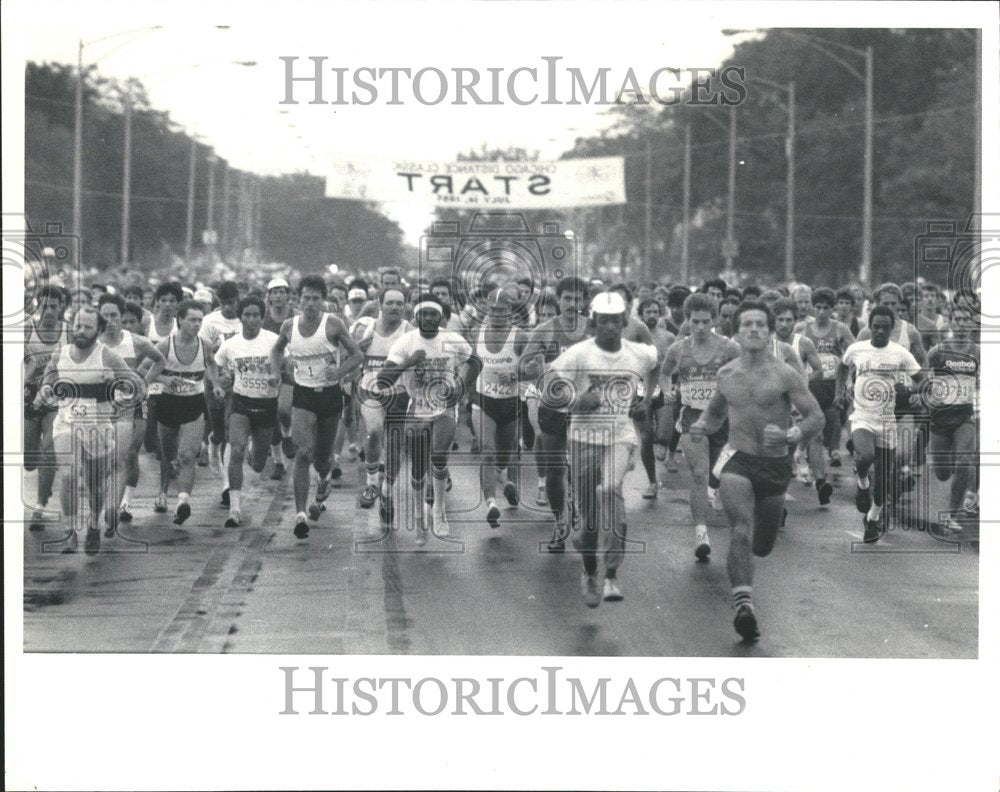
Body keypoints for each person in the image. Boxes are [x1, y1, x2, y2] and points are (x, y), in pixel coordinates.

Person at [691, 300, 824, 641]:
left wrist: (791, 433)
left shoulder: (784, 374)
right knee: (739, 529)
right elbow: (716, 413)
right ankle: (743, 605)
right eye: (747, 324)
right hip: (740, 460)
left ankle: (746, 580)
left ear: (768, 333)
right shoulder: (726, 374)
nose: (753, 329)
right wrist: (702, 425)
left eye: (760, 325)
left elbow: (815, 416)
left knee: (762, 545)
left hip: (775, 466)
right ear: (736, 331)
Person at [548, 291, 658, 607]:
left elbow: (656, 362)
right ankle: (589, 570)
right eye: (603, 321)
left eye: (615, 321)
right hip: (583, 438)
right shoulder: (579, 354)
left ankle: (611, 573)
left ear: (624, 322)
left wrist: (646, 400)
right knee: (588, 522)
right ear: (594, 323)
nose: (610, 327)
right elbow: (549, 386)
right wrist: (575, 401)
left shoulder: (638, 353)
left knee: (610, 488)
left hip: (620, 436)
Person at [35, 304, 143, 554]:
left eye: (87, 327)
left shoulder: (107, 356)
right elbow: (48, 380)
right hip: (66, 423)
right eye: (77, 326)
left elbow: (135, 384)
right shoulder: (59, 354)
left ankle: (94, 524)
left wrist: (118, 388)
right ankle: (69, 530)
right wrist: (45, 390)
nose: (81, 331)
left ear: (98, 330)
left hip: (98, 428)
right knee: (68, 475)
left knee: (95, 485)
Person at [269, 275, 363, 539]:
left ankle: (323, 479)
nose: (310, 303)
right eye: (306, 298)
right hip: (304, 395)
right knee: (302, 452)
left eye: (315, 298)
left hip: (329, 398)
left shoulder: (332, 324)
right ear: (298, 299)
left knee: (322, 459)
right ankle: (300, 514)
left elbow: (357, 355)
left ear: (323, 300)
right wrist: (276, 373)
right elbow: (276, 351)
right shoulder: (289, 326)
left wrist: (340, 371)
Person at [378, 295, 472, 545]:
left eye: (434, 313)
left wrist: (461, 387)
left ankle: (439, 511)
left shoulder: (452, 340)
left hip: (444, 407)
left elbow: (474, 362)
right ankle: (421, 519)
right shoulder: (406, 342)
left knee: (439, 455)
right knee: (418, 470)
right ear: (416, 316)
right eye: (424, 313)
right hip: (417, 408)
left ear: (441, 317)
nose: (429, 318)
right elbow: (383, 380)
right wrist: (410, 361)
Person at [660, 293, 741, 561]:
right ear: (688, 321)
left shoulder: (729, 348)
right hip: (693, 418)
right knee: (698, 472)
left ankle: (714, 489)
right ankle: (701, 533)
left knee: (718, 474)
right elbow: (664, 372)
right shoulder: (678, 349)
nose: (702, 327)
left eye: (707, 321)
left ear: (715, 320)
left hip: (723, 418)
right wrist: (667, 390)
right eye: (696, 321)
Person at [836, 305, 925, 544]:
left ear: (891, 327)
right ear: (870, 327)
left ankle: (873, 519)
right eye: (876, 327)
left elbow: (920, 378)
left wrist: (914, 392)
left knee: (885, 479)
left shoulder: (899, 353)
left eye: (885, 327)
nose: (880, 332)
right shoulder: (857, 348)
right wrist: (840, 391)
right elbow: (842, 366)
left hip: (887, 420)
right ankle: (862, 483)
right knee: (864, 456)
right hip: (863, 416)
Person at [521, 276, 592, 552]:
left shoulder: (595, 331)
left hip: (585, 410)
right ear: (559, 300)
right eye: (567, 299)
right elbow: (525, 367)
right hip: (552, 407)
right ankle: (560, 521)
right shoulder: (544, 331)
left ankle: (580, 511)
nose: (573, 304)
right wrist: (537, 368)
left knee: (583, 470)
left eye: (578, 299)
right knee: (554, 472)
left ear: (585, 301)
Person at [97, 293, 166, 528]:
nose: (109, 320)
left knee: (128, 454)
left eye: (113, 315)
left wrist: (144, 382)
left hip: (132, 405)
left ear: (121, 315)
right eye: (104, 315)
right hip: (103, 407)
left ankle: (123, 503)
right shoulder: (92, 343)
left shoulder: (135, 341)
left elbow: (160, 360)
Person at [153, 299, 224, 525]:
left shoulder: (205, 345)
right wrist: (164, 377)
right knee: (169, 454)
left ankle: (183, 502)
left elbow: (211, 364)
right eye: (192, 320)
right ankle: (166, 488)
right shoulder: (165, 345)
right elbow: (144, 370)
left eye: (199, 320)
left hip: (193, 404)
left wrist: (217, 384)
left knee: (187, 456)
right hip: (168, 403)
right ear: (180, 320)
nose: (196, 324)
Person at [465, 287, 529, 529]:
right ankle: (491, 504)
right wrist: (461, 389)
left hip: (510, 404)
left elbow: (536, 368)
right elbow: (470, 365)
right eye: (492, 310)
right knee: (488, 452)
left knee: (505, 454)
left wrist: (516, 374)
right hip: (483, 402)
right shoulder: (475, 333)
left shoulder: (520, 337)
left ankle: (503, 476)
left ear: (510, 311)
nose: (496, 314)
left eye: (501, 310)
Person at [214, 296, 280, 528]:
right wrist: (220, 379)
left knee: (259, 465)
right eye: (247, 315)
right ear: (240, 317)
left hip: (266, 406)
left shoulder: (274, 341)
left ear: (262, 317)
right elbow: (216, 364)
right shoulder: (231, 344)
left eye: (256, 315)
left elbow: (289, 365)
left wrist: (278, 376)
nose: (251, 320)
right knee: (236, 449)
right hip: (241, 404)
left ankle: (257, 451)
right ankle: (234, 509)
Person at [353, 286, 411, 510]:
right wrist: (358, 348)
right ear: (380, 305)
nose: (395, 307)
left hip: (399, 394)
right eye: (390, 302)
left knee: (395, 446)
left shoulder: (409, 331)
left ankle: (387, 491)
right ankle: (371, 484)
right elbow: (345, 353)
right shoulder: (364, 328)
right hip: (370, 389)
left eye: (400, 303)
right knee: (374, 430)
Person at [924, 300, 979, 535]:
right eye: (958, 320)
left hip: (965, 415)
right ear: (950, 322)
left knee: (964, 461)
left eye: (967, 320)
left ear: (973, 323)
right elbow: (925, 381)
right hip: (941, 418)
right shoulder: (937, 351)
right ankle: (961, 484)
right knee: (943, 472)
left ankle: (952, 514)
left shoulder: (978, 352)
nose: (963, 324)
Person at [24, 285, 70, 531]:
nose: (49, 310)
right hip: (29, 396)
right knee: (29, 460)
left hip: (57, 398)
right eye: (45, 305)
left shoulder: (68, 332)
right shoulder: (27, 329)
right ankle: (41, 482)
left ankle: (40, 506)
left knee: (48, 453)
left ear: (62, 306)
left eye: (54, 306)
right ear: (37, 305)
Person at [199, 281, 243, 506]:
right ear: (218, 302)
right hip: (215, 381)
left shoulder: (244, 319)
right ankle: (212, 442)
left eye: (232, 302)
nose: (228, 308)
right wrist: (216, 382)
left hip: (237, 383)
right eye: (224, 303)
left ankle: (226, 484)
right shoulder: (209, 322)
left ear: (238, 299)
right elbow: (207, 358)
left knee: (230, 432)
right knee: (218, 430)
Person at [262, 278, 297, 479]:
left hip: (289, 372)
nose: (277, 296)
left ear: (288, 294)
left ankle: (287, 433)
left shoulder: (295, 317)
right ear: (268, 296)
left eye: (281, 292)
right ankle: (277, 462)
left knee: (283, 410)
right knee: (270, 417)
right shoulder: (263, 318)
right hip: (266, 371)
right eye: (273, 292)